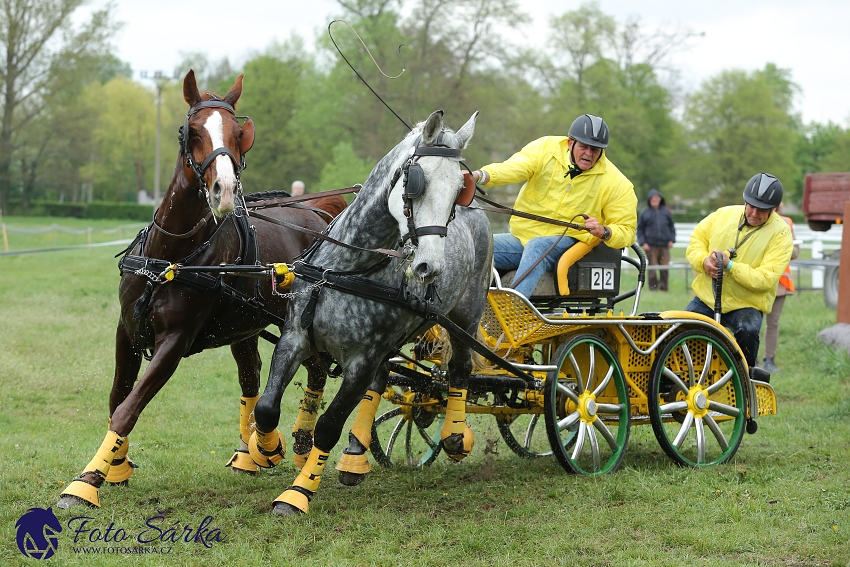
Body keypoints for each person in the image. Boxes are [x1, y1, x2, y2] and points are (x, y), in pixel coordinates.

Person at [471, 114, 637, 297]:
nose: (589, 154)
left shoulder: (617, 183)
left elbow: (627, 231)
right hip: (522, 240)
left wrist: (604, 231)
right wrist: (479, 176)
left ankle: (511, 313)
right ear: (570, 143)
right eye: (584, 147)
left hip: (569, 244)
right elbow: (512, 169)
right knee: (474, 244)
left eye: (595, 149)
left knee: (537, 247)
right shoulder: (544, 149)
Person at [685, 172, 794, 369]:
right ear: (745, 201)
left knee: (748, 331)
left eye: (762, 210)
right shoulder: (722, 215)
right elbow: (696, 241)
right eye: (751, 206)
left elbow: (766, 279)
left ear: (774, 209)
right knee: (680, 331)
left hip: (747, 304)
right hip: (707, 298)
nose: (754, 214)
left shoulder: (782, 233)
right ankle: (678, 380)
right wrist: (703, 261)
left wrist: (730, 266)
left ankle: (745, 381)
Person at [762, 203, 799, 373]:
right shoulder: (758, 221)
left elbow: (796, 251)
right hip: (758, 281)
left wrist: (785, 249)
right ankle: (749, 360)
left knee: (773, 323)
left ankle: (769, 359)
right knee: (751, 321)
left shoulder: (787, 223)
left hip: (780, 284)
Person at [637, 189, 676, 291]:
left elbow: (672, 227)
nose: (655, 200)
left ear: (660, 199)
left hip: (664, 246)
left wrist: (672, 240)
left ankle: (664, 288)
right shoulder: (645, 213)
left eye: (657, 198)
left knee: (664, 268)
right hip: (651, 246)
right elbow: (640, 229)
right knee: (652, 269)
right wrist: (643, 242)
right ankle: (653, 288)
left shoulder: (666, 212)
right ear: (649, 200)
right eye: (653, 198)